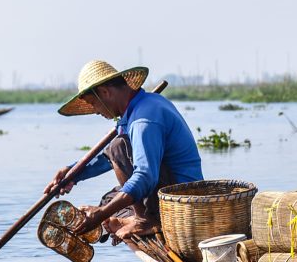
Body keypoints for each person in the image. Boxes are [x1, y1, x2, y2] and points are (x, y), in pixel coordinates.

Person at [45, 59, 203, 241]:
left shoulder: (144, 120)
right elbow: (107, 160)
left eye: (94, 104)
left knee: (117, 149)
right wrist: (73, 173)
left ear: (105, 92)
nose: (96, 111)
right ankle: (135, 217)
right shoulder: (138, 109)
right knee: (110, 196)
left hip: (182, 202)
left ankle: (144, 220)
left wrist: (102, 214)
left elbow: (144, 175)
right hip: (168, 193)